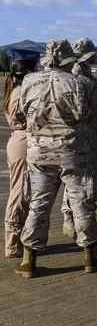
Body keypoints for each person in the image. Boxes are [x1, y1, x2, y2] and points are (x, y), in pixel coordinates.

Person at [15, 39, 97, 278]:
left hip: (39, 152)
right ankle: (90, 256)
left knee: (38, 205)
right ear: (70, 60)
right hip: (73, 153)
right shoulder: (80, 83)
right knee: (82, 205)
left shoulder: (29, 81)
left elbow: (22, 110)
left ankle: (29, 260)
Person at [61, 38, 97, 238]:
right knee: (84, 182)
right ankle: (76, 220)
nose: (96, 57)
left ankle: (73, 219)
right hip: (86, 137)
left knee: (78, 181)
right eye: (94, 54)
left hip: (88, 135)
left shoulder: (81, 72)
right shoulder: (79, 75)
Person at [3, 49, 39, 258]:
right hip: (24, 141)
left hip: (19, 141)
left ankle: (17, 240)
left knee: (21, 191)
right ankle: (13, 244)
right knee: (19, 194)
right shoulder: (21, 92)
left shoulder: (16, 88)